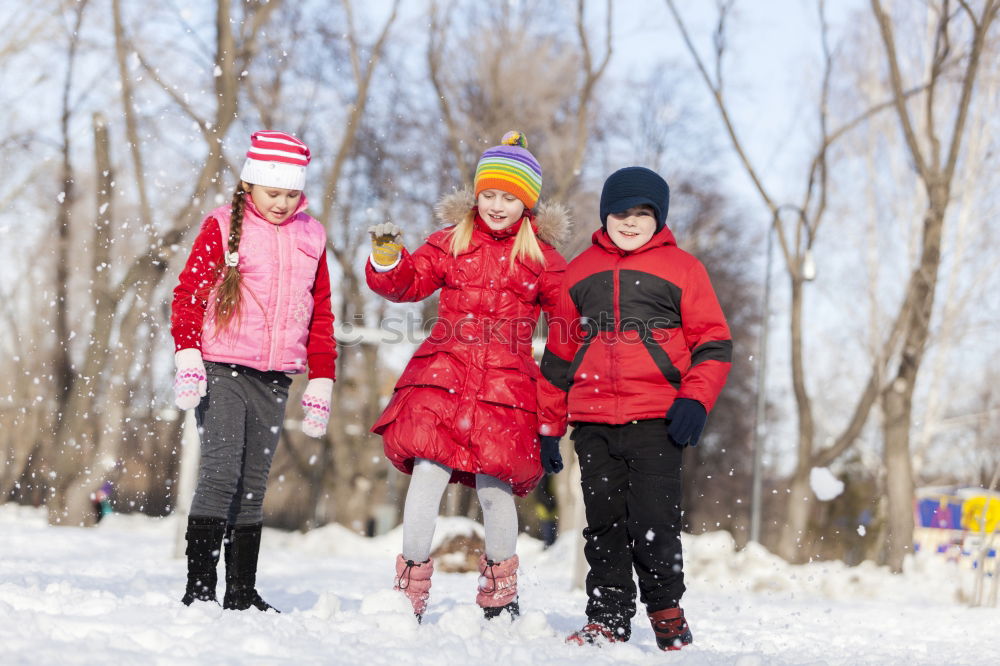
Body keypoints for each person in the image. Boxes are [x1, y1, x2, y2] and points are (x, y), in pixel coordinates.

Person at [366, 131, 569, 622]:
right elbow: (410, 283)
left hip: (506, 387)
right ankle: (408, 589)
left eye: (509, 197)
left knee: (496, 489)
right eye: (490, 194)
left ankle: (501, 594)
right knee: (427, 474)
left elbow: (568, 333)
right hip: (445, 373)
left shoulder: (541, 259)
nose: (497, 205)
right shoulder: (451, 241)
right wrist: (388, 260)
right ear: (476, 194)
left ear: (527, 203)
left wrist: (552, 418)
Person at [539, 166, 732, 651]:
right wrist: (548, 425)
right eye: (621, 211)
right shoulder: (578, 271)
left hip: (657, 418)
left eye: (642, 213)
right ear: (605, 214)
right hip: (592, 420)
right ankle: (607, 617)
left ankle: (666, 611)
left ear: (658, 218)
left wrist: (695, 399)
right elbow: (560, 353)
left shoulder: (684, 269)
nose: (630, 221)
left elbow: (713, 342)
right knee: (603, 522)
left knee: (654, 520)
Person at [170, 130, 337, 612]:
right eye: (273, 193)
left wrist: (321, 377)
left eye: (291, 193)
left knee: (252, 482)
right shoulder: (223, 226)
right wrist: (188, 354)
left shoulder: (312, 235)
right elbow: (188, 295)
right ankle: (199, 590)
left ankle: (241, 591)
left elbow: (321, 312)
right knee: (222, 472)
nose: (283, 203)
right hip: (221, 367)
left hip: (274, 374)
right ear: (250, 187)